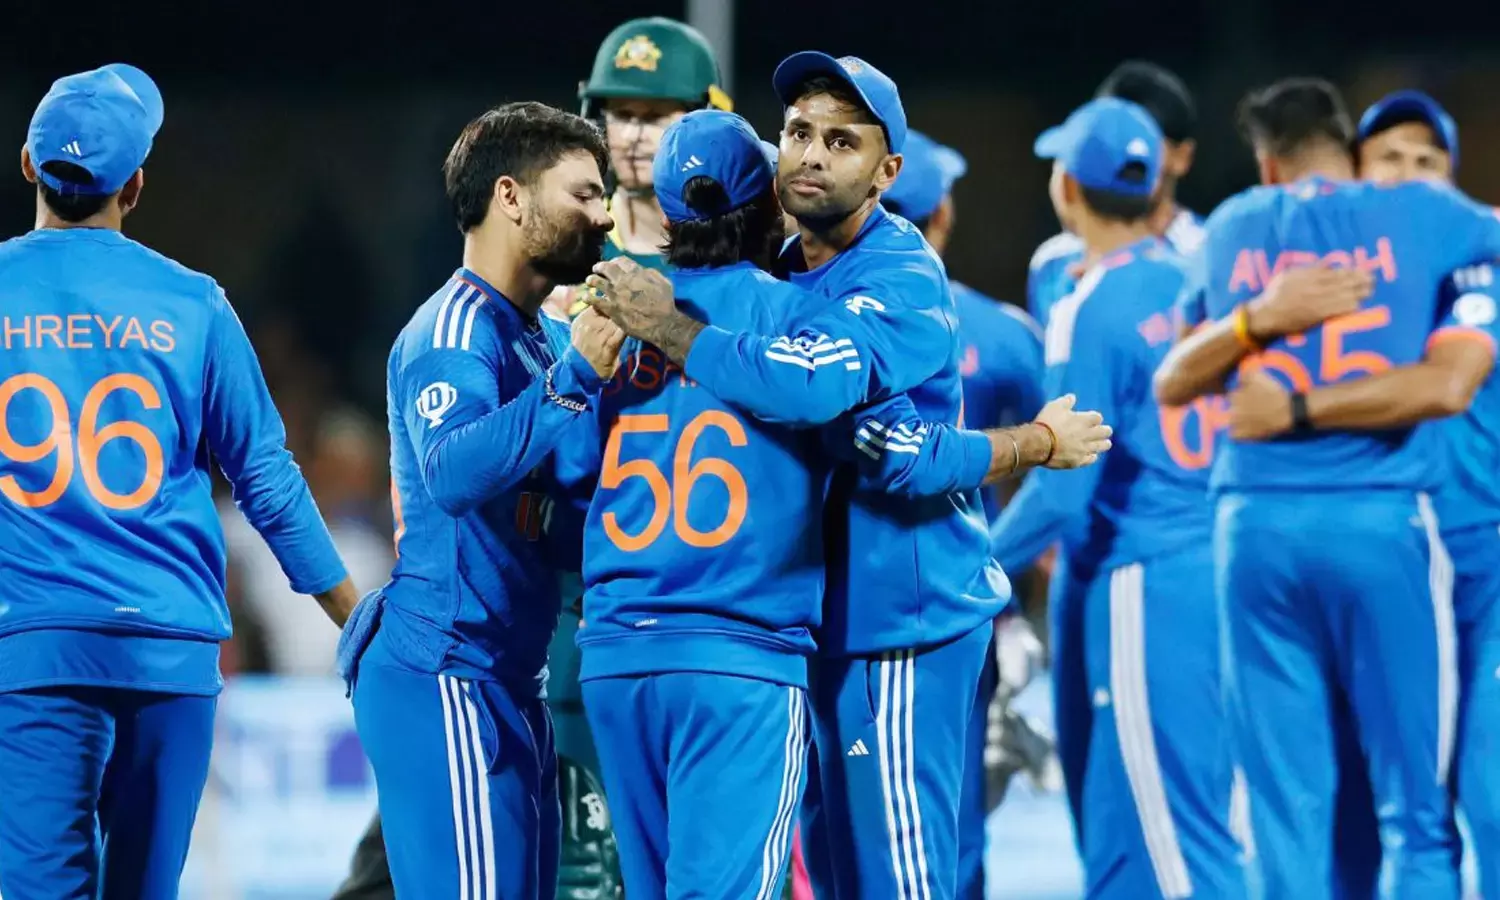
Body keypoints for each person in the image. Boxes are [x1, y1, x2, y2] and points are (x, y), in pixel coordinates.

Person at [584, 52, 1110, 900]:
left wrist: (671, 328)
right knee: (828, 878)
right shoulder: (777, 272)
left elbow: (860, 428)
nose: (812, 155)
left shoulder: (900, 276)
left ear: (886, 171)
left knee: (895, 880)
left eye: (841, 141)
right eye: (798, 133)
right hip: (804, 627)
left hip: (897, 621)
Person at [0, 64, 358, 900]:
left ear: (26, 165)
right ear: (135, 186)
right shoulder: (194, 305)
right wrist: (356, 617)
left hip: (33, 643)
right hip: (168, 654)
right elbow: (265, 477)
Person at [1152, 77, 1500, 897]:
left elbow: (1174, 376)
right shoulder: (1429, 220)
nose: (1408, 171)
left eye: (1425, 160)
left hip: (1255, 527)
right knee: (1415, 814)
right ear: (1350, 154)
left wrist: (1257, 323)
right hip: (1386, 523)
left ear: (1268, 163)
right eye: (1392, 156)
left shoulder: (1234, 223)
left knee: (1287, 812)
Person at [339, 100, 624, 900]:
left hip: (509, 681)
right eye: (584, 194)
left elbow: (563, 515)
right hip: (446, 675)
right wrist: (576, 378)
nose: (605, 216)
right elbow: (456, 474)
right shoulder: (453, 330)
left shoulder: (539, 337)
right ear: (510, 197)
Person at [881, 128, 1047, 900]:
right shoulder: (1000, 330)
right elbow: (1065, 461)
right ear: (942, 214)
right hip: (955, 601)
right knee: (951, 818)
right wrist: (1004, 576)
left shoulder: (804, 311)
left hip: (832, 598)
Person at [1028, 61, 1203, 330]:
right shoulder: (1053, 262)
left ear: (1182, 157)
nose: (1118, 152)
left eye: (1144, 137)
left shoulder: (1208, 252)